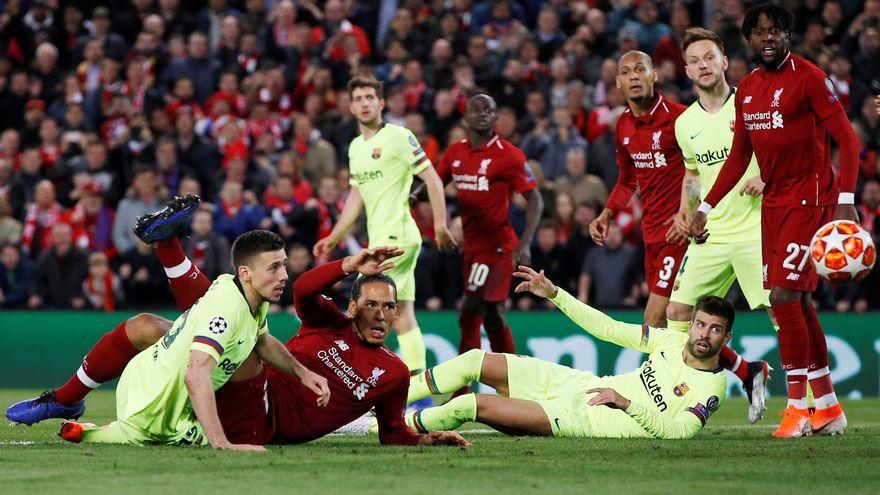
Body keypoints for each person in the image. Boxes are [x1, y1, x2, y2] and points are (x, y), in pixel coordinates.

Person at [7, 196, 468, 449]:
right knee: (146, 324)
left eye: (389, 307)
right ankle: (66, 401)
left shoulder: (390, 373)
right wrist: (351, 264)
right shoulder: (329, 323)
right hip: (240, 381)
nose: (381, 314)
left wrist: (430, 438)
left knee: (230, 326)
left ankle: (168, 249)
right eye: (370, 303)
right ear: (351, 307)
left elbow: (393, 432)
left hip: (262, 419)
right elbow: (307, 290)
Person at [9, 217, 330, 450]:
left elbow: (262, 339)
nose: (285, 275)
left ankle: (166, 243)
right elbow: (195, 375)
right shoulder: (225, 310)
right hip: (156, 416)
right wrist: (221, 444)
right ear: (245, 273)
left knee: (146, 326)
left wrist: (302, 374)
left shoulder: (239, 289)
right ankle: (166, 243)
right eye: (274, 267)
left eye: (284, 265)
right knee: (237, 433)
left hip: (141, 376)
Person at [691, 2, 860, 437]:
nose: (768, 38)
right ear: (747, 41)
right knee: (799, 303)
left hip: (813, 200)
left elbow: (847, 139)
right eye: (759, 32)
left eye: (775, 31)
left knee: (783, 298)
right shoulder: (746, 89)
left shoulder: (810, 78)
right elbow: (739, 158)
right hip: (775, 206)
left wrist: (845, 200)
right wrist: (705, 207)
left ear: (787, 36)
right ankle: (827, 408)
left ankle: (798, 408)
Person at [405, 266, 730, 440]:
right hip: (578, 383)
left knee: (467, 404)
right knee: (473, 360)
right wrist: (555, 294)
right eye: (700, 325)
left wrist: (626, 403)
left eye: (715, 329)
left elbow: (680, 433)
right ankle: (387, 396)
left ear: (726, 337)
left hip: (582, 420)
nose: (704, 334)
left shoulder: (711, 387)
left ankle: (380, 427)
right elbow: (609, 328)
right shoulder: (670, 341)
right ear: (690, 326)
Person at [313, 76, 456, 377]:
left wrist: (441, 224)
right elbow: (356, 195)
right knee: (402, 315)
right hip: (384, 237)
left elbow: (431, 177)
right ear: (351, 107)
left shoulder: (399, 137)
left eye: (369, 97)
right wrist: (333, 236)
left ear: (381, 103)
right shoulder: (355, 147)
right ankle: (419, 389)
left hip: (396, 237)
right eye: (359, 99)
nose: (364, 103)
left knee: (366, 308)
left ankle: (362, 382)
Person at [667, 28, 774, 423]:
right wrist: (687, 210)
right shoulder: (686, 123)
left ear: (725, 61)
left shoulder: (749, 103)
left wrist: (766, 178)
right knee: (678, 313)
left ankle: (812, 402)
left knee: (782, 311)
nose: (703, 65)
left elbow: (781, 149)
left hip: (755, 228)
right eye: (694, 60)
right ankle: (747, 372)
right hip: (711, 232)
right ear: (686, 70)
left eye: (709, 57)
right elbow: (693, 173)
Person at [434, 93, 543, 379]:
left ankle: (462, 385)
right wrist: (410, 196)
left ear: (495, 118)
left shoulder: (509, 154)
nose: (482, 113)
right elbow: (433, 185)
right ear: (465, 117)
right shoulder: (455, 153)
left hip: (498, 249)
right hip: (470, 247)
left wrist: (526, 240)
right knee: (492, 316)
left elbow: (535, 200)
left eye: (488, 109)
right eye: (476, 108)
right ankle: (512, 379)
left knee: (470, 312)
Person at [588, 50, 687, 328]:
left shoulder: (681, 119)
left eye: (640, 69)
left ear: (654, 75)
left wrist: (688, 212)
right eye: (626, 72)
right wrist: (607, 214)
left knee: (654, 319)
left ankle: (652, 373)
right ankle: (743, 367)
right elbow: (628, 178)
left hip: (678, 233)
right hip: (651, 233)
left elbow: (705, 169)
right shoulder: (623, 125)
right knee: (676, 323)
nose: (634, 76)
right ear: (618, 82)